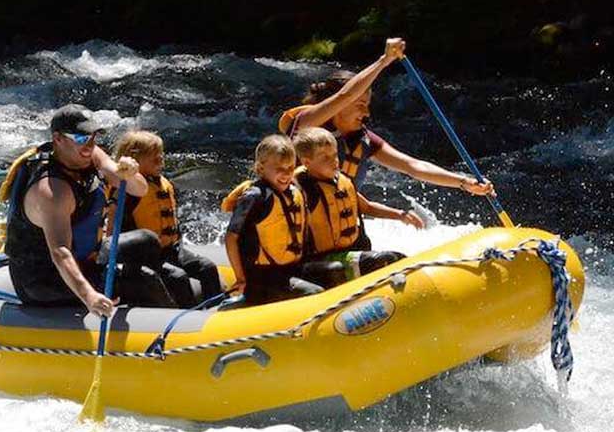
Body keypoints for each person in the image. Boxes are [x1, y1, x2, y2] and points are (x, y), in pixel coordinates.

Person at [279, 38, 496, 195]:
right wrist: (384, 60)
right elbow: (346, 94)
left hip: (337, 229)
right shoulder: (306, 126)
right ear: (338, 106)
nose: (366, 112)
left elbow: (414, 166)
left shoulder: (364, 141)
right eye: (361, 104)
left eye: (368, 105)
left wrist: (464, 182)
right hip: (298, 233)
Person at [2, 104, 154, 317]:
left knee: (148, 240)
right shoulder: (52, 191)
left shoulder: (91, 156)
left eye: (93, 138)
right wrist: (89, 296)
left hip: (85, 257)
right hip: (43, 279)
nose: (89, 146)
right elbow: (60, 252)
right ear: (58, 139)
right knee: (143, 282)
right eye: (82, 139)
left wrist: (131, 174)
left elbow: (140, 190)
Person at [293, 127, 422, 287]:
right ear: (307, 162)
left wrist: (400, 215)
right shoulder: (300, 189)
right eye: (325, 157)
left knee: (396, 257)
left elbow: (366, 207)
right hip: (319, 261)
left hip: (348, 253)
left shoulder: (341, 181)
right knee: (382, 261)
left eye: (334, 155)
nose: (333, 161)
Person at [109, 130, 221, 308]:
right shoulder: (127, 190)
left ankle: (216, 311)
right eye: (154, 158)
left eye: (161, 155)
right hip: (143, 257)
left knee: (207, 267)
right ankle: (190, 318)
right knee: (178, 277)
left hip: (170, 250)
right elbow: (114, 226)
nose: (161, 161)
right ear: (134, 159)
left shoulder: (161, 182)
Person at [221, 134, 322, 306]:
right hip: (263, 278)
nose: (286, 174)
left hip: (290, 269)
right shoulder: (255, 197)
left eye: (290, 168)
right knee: (314, 293)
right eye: (279, 168)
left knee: (335, 271)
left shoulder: (295, 192)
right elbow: (231, 238)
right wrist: (240, 278)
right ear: (260, 169)